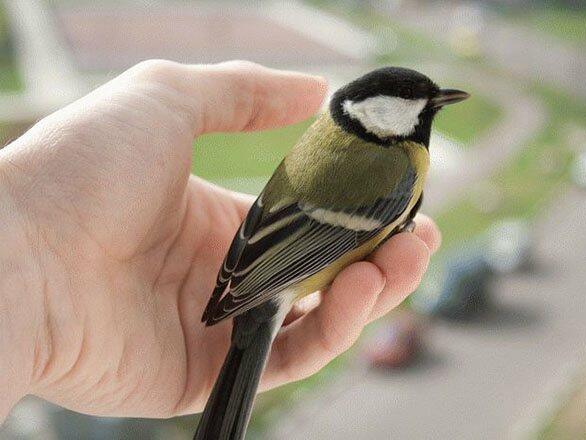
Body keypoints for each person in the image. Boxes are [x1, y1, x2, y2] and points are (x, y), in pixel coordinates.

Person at [0, 60, 439, 422]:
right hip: (281, 277)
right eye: (417, 106)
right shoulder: (396, 164)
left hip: (251, 261)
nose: (428, 112)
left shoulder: (336, 145)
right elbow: (321, 242)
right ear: (374, 114)